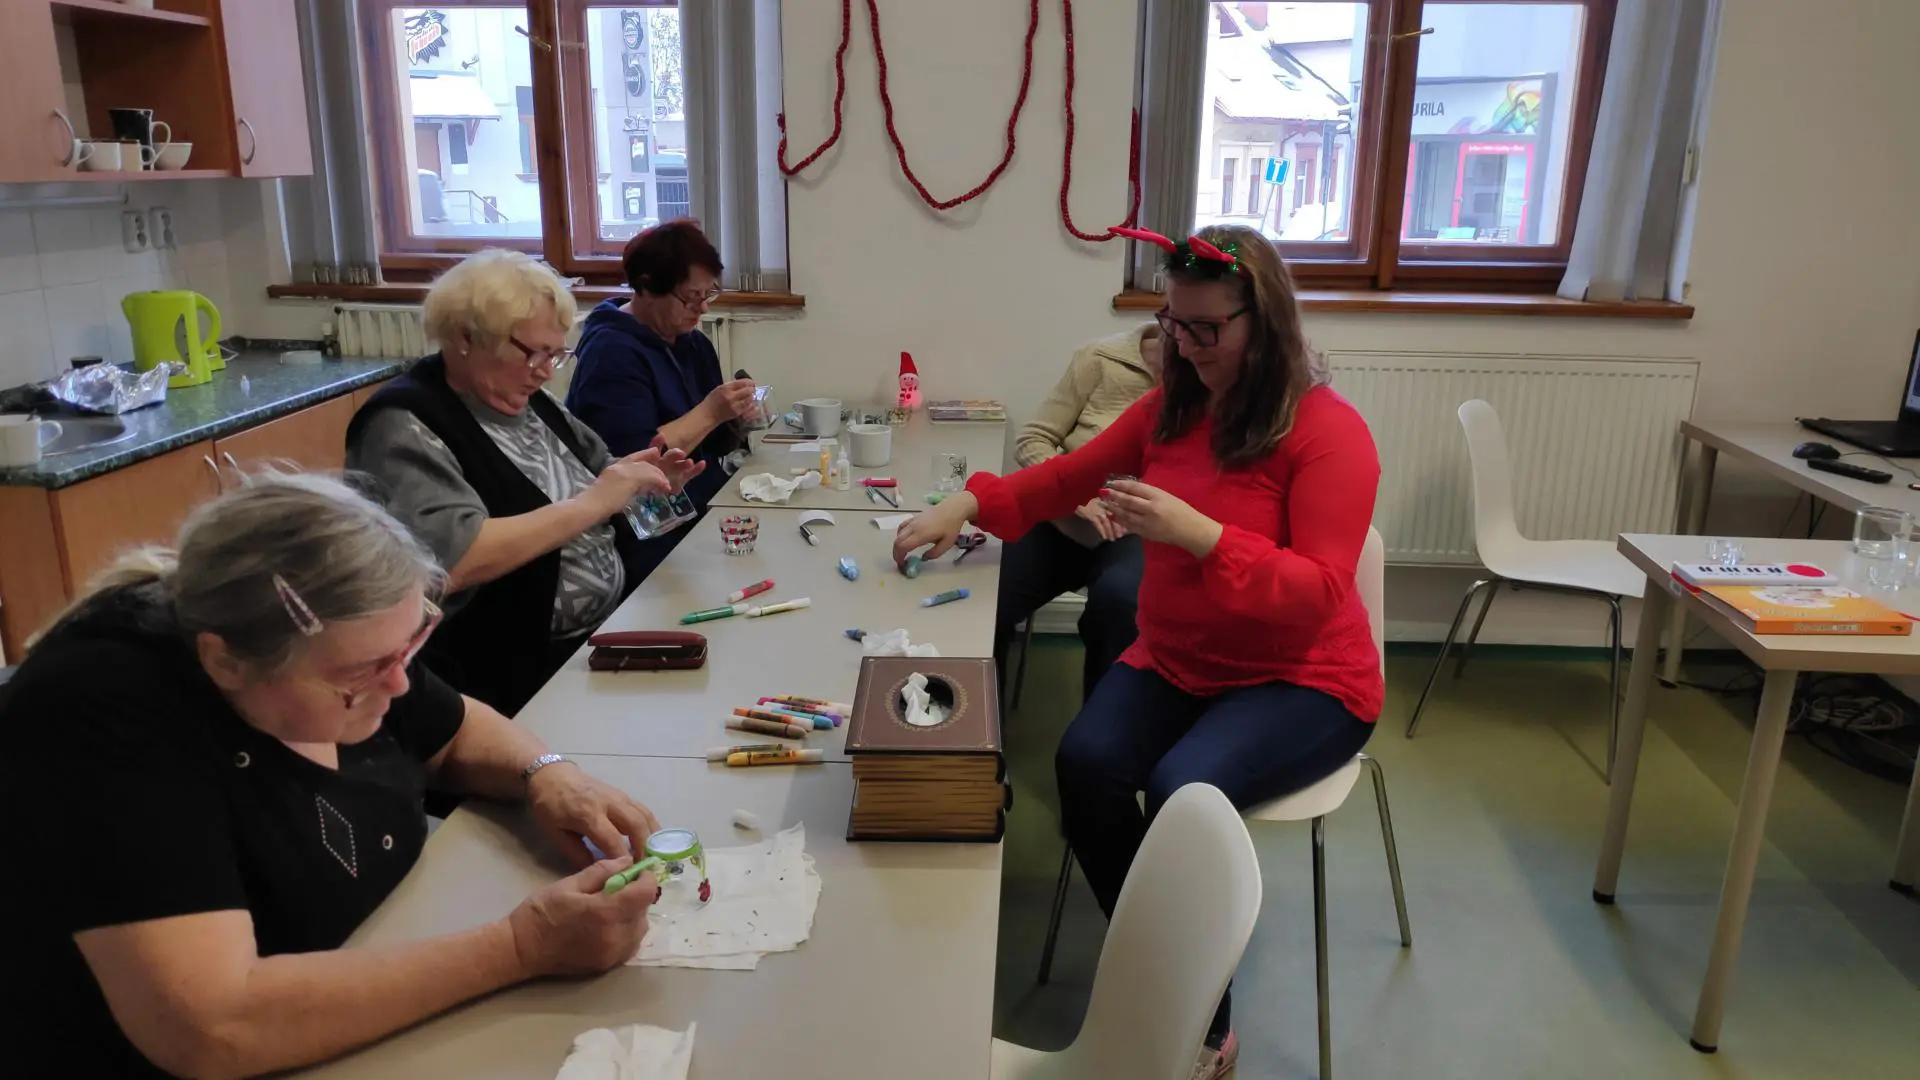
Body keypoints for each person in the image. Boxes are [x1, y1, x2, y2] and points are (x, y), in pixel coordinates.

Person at [894, 224, 1381, 1078]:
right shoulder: (1170, 410)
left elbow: (1318, 593)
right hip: (1183, 658)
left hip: (1303, 677)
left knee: (1182, 790)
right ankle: (1157, 955)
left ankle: (1202, 1022)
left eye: (1207, 328)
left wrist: (1201, 535)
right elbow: (1062, 477)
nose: (1184, 346)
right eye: (1172, 324)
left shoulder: (1328, 432)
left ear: (1264, 322)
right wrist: (964, 506)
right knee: (1084, 764)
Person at [0, 473, 665, 1080]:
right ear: (225, 663)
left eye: (409, 648)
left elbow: (457, 729)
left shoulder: (337, 637)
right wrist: (519, 949)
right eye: (363, 673)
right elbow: (212, 1027)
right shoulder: (101, 716)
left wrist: (547, 774)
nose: (399, 685)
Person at [347, 249, 704, 715]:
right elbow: (451, 561)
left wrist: (641, 479)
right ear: (465, 337)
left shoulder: (527, 399)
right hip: (500, 679)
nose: (545, 371)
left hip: (597, 639)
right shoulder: (403, 425)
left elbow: (600, 471)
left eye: (555, 355)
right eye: (533, 352)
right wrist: (595, 502)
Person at [996, 323, 1162, 702]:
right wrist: (1074, 495)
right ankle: (981, 727)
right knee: (987, 598)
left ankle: (1102, 723)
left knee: (1121, 604)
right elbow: (1033, 438)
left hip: (1134, 534)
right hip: (1064, 521)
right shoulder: (1100, 358)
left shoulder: (1215, 378)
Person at [565, 219, 760, 514]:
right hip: (652, 519)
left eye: (708, 294)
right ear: (646, 286)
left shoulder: (693, 343)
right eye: (690, 297)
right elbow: (631, 465)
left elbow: (715, 446)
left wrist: (736, 419)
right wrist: (710, 412)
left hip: (707, 499)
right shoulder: (610, 353)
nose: (703, 307)